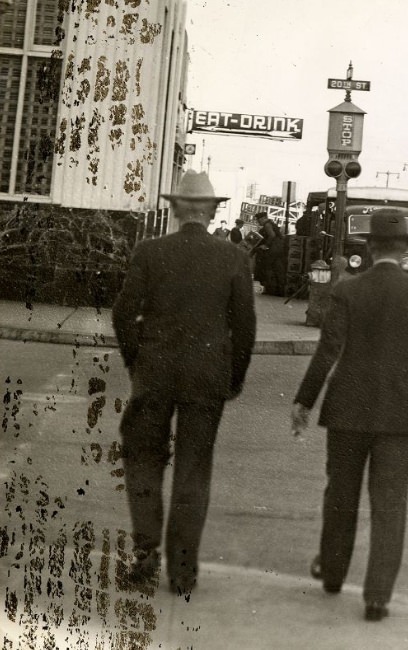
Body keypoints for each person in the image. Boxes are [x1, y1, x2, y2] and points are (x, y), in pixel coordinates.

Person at [291, 207, 408, 623]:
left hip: (346, 409)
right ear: (407, 248)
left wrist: (305, 401)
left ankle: (333, 574)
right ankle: (377, 597)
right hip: (399, 414)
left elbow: (328, 351)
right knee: (390, 505)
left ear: (372, 246)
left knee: (340, 496)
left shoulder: (347, 290)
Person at [111, 171, 256, 598]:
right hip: (206, 376)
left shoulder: (150, 252)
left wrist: (138, 362)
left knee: (142, 458)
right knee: (194, 467)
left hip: (155, 372)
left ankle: (144, 556)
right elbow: (244, 326)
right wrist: (234, 376)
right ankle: (183, 570)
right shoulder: (233, 258)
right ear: (211, 212)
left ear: (175, 208)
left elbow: (123, 314)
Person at [253, 210, 283, 294]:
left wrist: (266, 245)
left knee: (268, 267)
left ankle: (269, 288)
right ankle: (275, 288)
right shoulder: (271, 224)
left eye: (259, 220)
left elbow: (272, 235)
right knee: (275, 268)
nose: (258, 222)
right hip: (278, 249)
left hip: (273, 249)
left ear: (263, 218)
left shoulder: (267, 225)